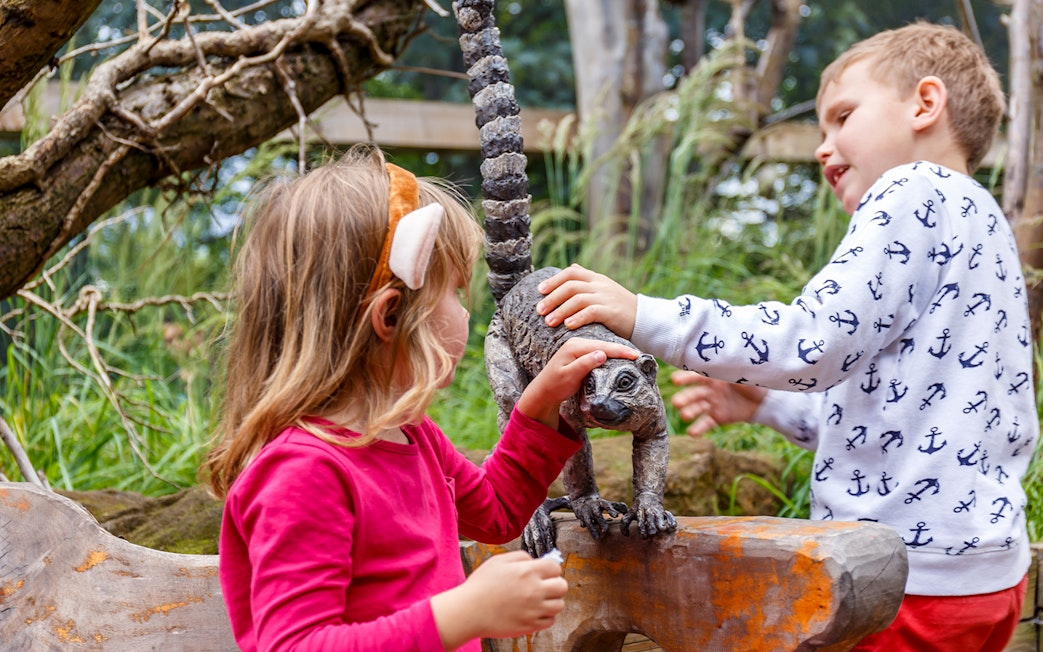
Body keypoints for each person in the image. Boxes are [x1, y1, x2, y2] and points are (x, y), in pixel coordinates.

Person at [533, 22, 1037, 652]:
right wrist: (764, 403)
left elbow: (812, 342)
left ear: (925, 105)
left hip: (899, 580)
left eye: (843, 116)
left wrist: (645, 316)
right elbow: (904, 419)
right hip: (984, 576)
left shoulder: (910, 191)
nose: (823, 149)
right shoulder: (984, 221)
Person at [203, 146, 639, 652]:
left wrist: (540, 405)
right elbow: (299, 644)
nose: (467, 313)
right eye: (455, 292)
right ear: (389, 317)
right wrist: (462, 613)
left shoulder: (412, 436)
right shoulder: (303, 474)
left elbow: (497, 511)